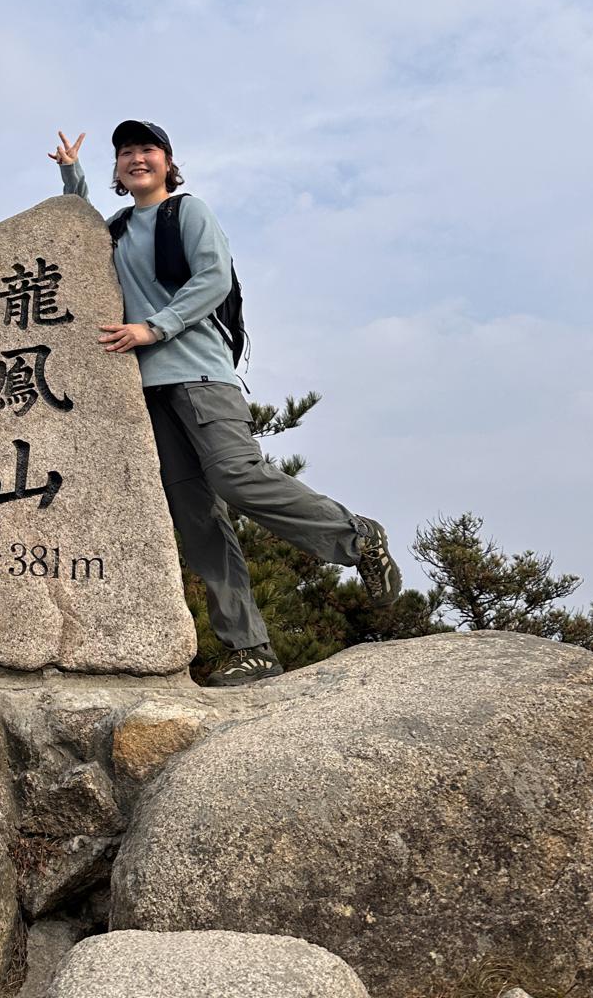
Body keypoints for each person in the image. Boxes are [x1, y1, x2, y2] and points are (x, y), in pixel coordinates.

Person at [49, 121, 401, 686]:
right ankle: (250, 649)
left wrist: (153, 328)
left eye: (147, 149)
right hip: (145, 393)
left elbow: (213, 279)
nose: (137, 158)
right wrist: (72, 173)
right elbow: (79, 232)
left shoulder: (187, 212)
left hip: (200, 374)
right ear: (117, 168)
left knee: (237, 476)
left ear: (168, 162)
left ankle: (357, 537)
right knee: (197, 520)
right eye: (126, 152)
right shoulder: (118, 228)